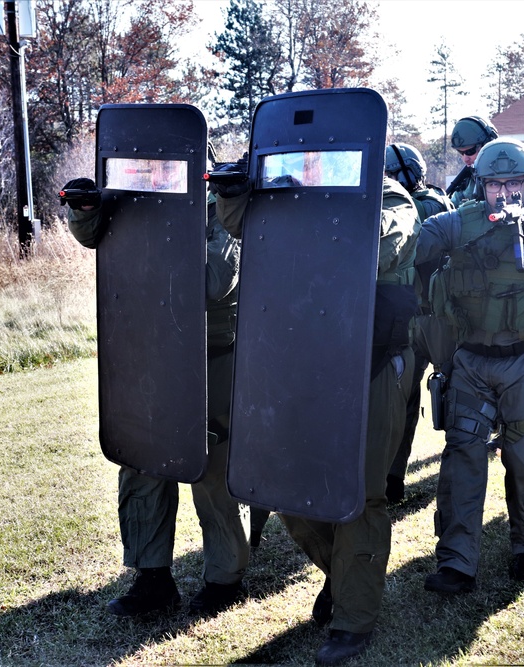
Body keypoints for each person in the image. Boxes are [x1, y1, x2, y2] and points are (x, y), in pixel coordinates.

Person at [214, 174, 419, 665]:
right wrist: (235, 192)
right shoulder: (289, 193)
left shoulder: (392, 198)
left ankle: (353, 619)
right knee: (288, 489)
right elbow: (242, 226)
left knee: (360, 494)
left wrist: (299, 218)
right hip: (304, 362)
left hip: (372, 363)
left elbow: (375, 246)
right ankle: (345, 576)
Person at [61, 176, 251, 618]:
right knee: (142, 461)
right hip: (148, 354)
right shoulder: (134, 205)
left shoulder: (218, 212)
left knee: (210, 468)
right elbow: (95, 238)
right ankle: (152, 580)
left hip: (209, 356)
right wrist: (86, 209)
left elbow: (212, 281)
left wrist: (145, 256)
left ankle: (224, 579)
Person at [416, 138, 524, 589]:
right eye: (495, 185)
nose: (506, 193)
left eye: (515, 183)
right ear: (482, 186)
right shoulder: (460, 222)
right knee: (462, 459)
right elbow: (420, 242)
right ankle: (457, 561)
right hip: (472, 361)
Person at [383, 142, 456, 504]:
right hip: (412, 318)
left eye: (391, 175)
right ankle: (393, 477)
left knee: (458, 396)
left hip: (440, 318)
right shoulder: (401, 203)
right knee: (402, 400)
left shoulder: (428, 203)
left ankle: (459, 469)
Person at [448, 115, 499, 206]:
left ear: (487, 145)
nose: (465, 159)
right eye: (461, 152)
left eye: (470, 151)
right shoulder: (468, 182)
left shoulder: (510, 176)